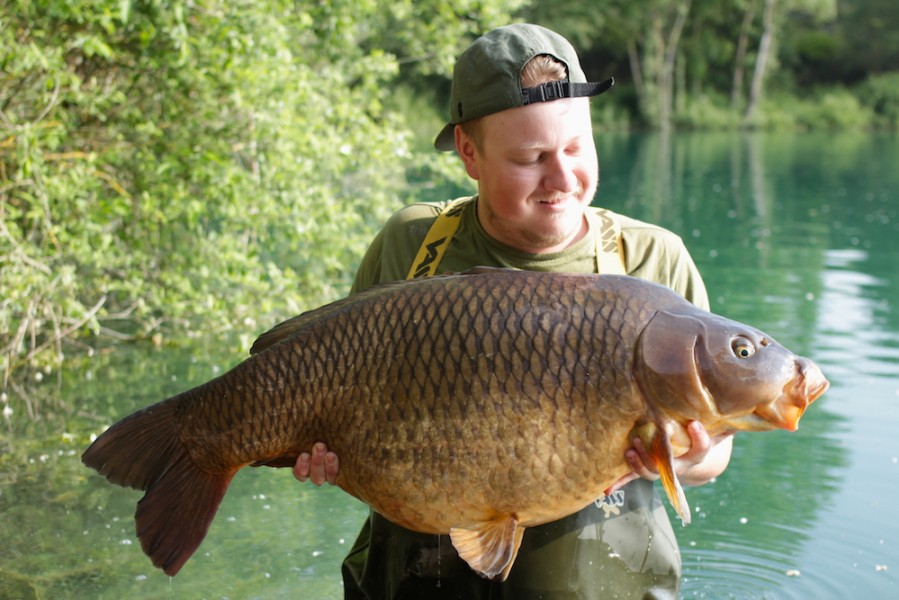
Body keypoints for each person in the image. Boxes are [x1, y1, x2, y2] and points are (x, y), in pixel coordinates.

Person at [293, 23, 733, 599]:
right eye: (531, 157)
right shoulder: (412, 245)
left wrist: (692, 456)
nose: (562, 177)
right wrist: (323, 448)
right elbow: (336, 390)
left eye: (576, 148)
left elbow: (714, 455)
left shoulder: (652, 258)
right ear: (469, 154)